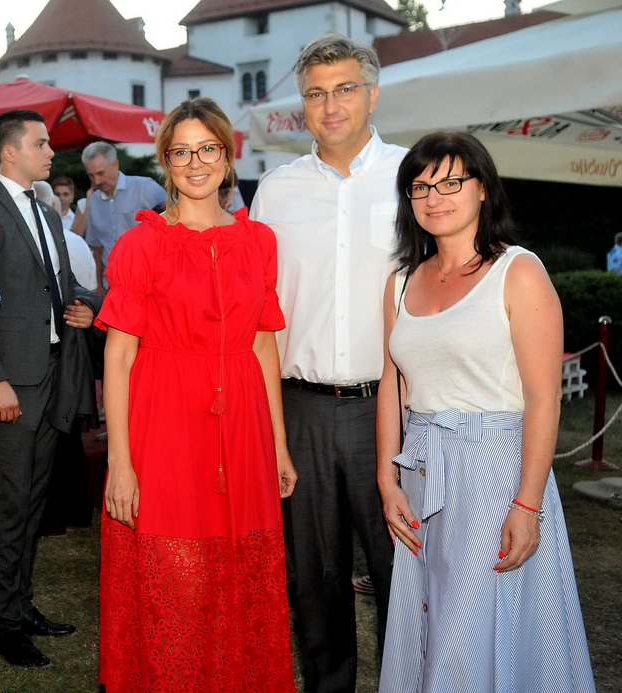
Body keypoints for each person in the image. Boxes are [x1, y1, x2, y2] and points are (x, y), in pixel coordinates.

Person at [376, 131, 595, 692]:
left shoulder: (518, 271)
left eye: (451, 182)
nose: (435, 197)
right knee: (426, 623)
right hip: (422, 473)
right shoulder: (400, 282)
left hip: (496, 471)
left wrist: (527, 503)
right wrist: (387, 477)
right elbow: (391, 381)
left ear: (482, 191)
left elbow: (544, 397)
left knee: (471, 629)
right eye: (420, 187)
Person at [98, 97, 297, 692]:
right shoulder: (140, 246)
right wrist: (120, 463)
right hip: (164, 425)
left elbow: (265, 348)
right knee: (176, 580)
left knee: (239, 576)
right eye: (180, 151)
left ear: (227, 157)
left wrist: (279, 448)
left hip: (243, 429)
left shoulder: (260, 241)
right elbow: (119, 354)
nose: (194, 161)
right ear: (165, 161)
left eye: (206, 148)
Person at [248, 33, 405, 692]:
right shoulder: (274, 194)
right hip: (302, 408)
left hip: (395, 408)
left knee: (404, 569)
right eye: (315, 93)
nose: (330, 104)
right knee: (313, 576)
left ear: (371, 94)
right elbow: (259, 315)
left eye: (344, 89)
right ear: (301, 106)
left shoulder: (415, 177)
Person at [0, 109, 101, 669]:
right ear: (9, 152)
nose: (50, 153)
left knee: (34, 499)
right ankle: (5, 624)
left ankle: (23, 604)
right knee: (11, 503)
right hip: (10, 384)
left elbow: (63, 284)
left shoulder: (44, 210)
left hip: (52, 375)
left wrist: (102, 304)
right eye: (41, 144)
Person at [79, 141, 166, 292]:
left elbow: (177, 221)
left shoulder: (144, 187)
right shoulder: (94, 201)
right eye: (91, 175)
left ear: (115, 164)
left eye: (101, 173)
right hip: (113, 289)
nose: (96, 181)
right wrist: (99, 286)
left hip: (151, 285)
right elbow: (98, 249)